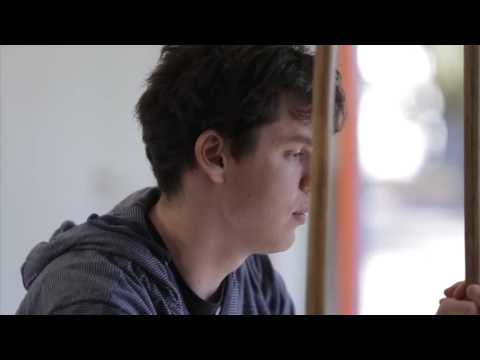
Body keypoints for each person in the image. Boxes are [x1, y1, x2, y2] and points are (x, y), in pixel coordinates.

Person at [16, 45, 478, 315]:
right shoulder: (95, 299)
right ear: (216, 155)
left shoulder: (248, 277)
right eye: (296, 153)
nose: (313, 183)